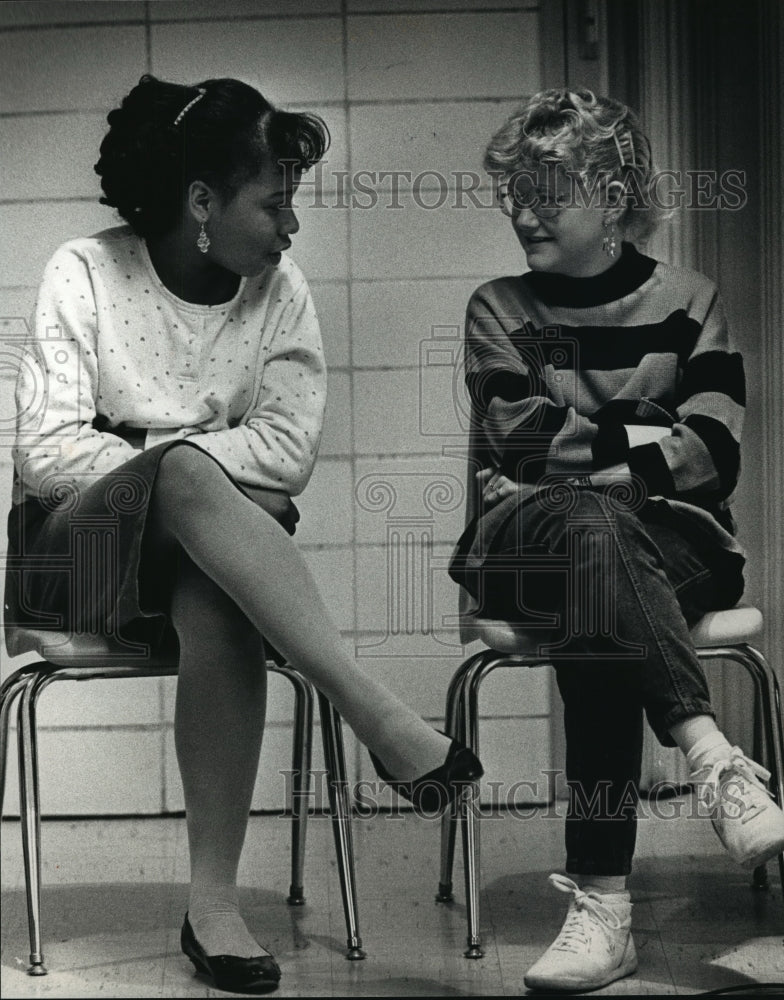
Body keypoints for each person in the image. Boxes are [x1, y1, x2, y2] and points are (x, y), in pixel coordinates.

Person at [5, 74, 482, 995]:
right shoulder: (85, 271)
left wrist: (141, 447)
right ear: (201, 205)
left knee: (215, 590)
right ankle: (368, 708)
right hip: (78, 555)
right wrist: (170, 469)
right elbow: (43, 454)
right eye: (275, 202)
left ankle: (212, 909)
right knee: (189, 477)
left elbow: (290, 451)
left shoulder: (279, 288)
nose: (291, 226)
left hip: (212, 565)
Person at [448, 87, 784, 992]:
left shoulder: (690, 299)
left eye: (546, 188)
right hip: (526, 545)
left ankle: (605, 906)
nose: (522, 209)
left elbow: (715, 451)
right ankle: (712, 753)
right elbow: (522, 438)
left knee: (599, 565)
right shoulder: (498, 307)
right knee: (591, 529)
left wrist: (593, 462)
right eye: (513, 189)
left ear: (614, 190)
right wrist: (642, 450)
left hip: (671, 543)